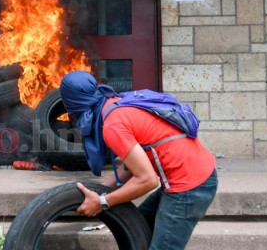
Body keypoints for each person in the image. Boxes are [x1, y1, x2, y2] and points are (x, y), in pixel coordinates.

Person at [59, 70, 217, 250]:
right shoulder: (116, 104)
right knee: (135, 230)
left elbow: (148, 180)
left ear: (73, 105)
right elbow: (130, 168)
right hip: (191, 175)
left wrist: (103, 202)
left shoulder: (113, 125)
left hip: (190, 186)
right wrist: (99, 190)